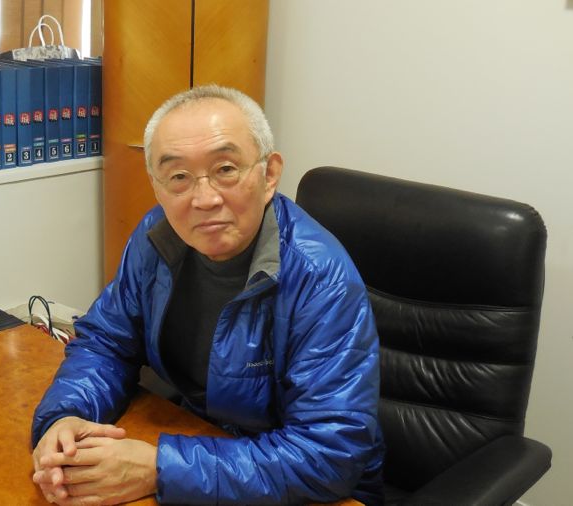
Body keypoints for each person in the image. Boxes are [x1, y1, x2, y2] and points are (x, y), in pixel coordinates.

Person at [31, 85, 384, 505]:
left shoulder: (320, 277)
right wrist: (66, 416)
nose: (204, 199)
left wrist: (160, 468)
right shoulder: (156, 238)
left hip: (300, 489)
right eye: (179, 177)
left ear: (269, 174)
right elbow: (106, 343)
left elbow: (329, 454)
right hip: (198, 448)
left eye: (226, 169)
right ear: (157, 186)